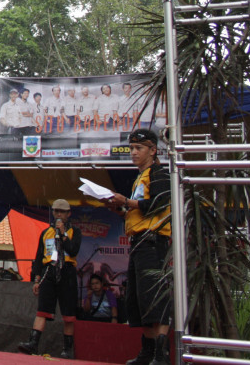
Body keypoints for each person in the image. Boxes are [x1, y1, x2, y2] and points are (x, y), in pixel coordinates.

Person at [108, 128, 171, 365]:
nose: (133, 152)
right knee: (139, 300)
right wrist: (121, 209)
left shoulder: (159, 173)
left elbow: (157, 204)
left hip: (153, 242)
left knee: (156, 297)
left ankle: (161, 354)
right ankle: (148, 352)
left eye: (138, 148)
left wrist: (126, 201)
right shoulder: (140, 176)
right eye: (132, 148)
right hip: (139, 243)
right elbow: (139, 210)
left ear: (153, 150)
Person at [18, 199, 82, 359]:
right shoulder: (46, 233)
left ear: (68, 214)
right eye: (56, 211)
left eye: (62, 212)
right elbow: (39, 257)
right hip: (49, 271)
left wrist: (64, 234)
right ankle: (33, 343)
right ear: (52, 213)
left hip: (67, 271)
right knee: (42, 309)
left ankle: (67, 349)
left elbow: (73, 251)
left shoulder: (75, 231)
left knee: (68, 313)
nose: (58, 214)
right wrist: (37, 279)